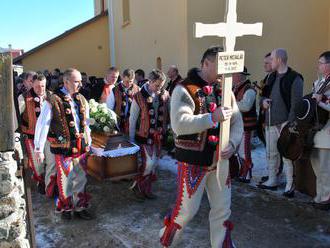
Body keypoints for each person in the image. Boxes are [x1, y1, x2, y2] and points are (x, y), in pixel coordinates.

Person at [159, 46, 243, 248]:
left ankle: (221, 245)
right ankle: (167, 239)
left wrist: (232, 143)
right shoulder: (184, 88)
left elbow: (237, 122)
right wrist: (211, 117)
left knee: (223, 209)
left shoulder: (225, 89)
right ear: (206, 63)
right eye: (220, 65)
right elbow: (179, 124)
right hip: (193, 162)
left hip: (220, 161)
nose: (225, 70)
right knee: (187, 211)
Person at [34, 68, 92, 220]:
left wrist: (89, 140)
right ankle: (66, 208)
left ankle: (80, 206)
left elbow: (85, 122)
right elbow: (43, 124)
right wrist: (38, 148)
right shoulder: (53, 99)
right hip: (63, 147)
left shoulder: (80, 98)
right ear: (66, 82)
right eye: (76, 81)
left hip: (81, 146)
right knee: (65, 179)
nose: (80, 84)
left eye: (81, 81)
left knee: (81, 178)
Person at [258, 48, 304, 198]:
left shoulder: (295, 78)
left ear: (279, 60)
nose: (269, 62)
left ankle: (290, 185)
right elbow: (262, 97)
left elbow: (295, 104)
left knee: (286, 154)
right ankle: (272, 180)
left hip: (285, 124)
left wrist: (289, 125)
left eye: (271, 59)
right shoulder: (270, 77)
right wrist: (263, 102)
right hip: (270, 121)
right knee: (271, 154)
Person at [129, 70, 170, 200]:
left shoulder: (165, 95)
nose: (160, 88)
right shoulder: (138, 96)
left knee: (154, 164)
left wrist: (170, 130)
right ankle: (137, 186)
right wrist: (131, 139)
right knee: (149, 163)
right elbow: (133, 119)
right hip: (144, 135)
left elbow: (169, 114)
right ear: (150, 81)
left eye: (162, 85)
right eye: (157, 85)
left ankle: (146, 189)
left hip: (159, 135)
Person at [19, 73, 57, 197]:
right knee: (38, 164)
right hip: (31, 137)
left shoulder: (52, 96)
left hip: (49, 137)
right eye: (37, 87)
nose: (40, 89)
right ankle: (40, 181)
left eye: (43, 86)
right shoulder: (24, 97)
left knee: (52, 163)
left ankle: (49, 187)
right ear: (31, 84)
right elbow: (16, 117)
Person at [309, 51, 330, 210]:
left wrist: (319, 100)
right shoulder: (320, 82)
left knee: (324, 166)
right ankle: (320, 195)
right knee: (316, 163)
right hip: (316, 129)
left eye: (321, 62)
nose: (319, 65)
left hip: (327, 130)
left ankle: (325, 198)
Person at [232, 67, 257, 183]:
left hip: (247, 125)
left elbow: (246, 106)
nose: (232, 77)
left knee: (244, 151)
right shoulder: (235, 88)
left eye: (234, 74)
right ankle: (242, 171)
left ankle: (247, 173)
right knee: (237, 150)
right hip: (238, 125)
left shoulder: (249, 89)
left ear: (241, 75)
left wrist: (231, 104)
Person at [107, 69, 139, 134]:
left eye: (131, 81)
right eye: (126, 81)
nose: (128, 84)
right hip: (118, 122)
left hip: (133, 122)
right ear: (122, 77)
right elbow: (109, 108)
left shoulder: (138, 90)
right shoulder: (114, 90)